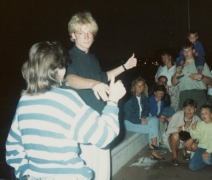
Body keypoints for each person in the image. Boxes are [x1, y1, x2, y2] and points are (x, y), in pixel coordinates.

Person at [5, 41, 126, 180]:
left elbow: (13, 147)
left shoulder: (24, 101)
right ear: (59, 70)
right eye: (63, 65)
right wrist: (113, 100)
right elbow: (105, 135)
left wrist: (24, 173)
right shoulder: (66, 99)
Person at [64, 12, 137, 180]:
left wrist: (125, 67)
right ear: (73, 35)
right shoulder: (67, 57)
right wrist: (92, 84)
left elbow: (103, 77)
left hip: (101, 122)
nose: (87, 36)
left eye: (90, 32)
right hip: (83, 127)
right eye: (81, 32)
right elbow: (69, 79)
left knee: (103, 175)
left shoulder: (92, 59)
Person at [124, 77, 165, 160]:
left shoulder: (143, 97)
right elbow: (129, 116)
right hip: (129, 122)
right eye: (138, 85)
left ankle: (154, 147)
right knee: (152, 128)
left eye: (142, 85)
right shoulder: (129, 99)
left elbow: (147, 108)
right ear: (134, 86)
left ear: (144, 87)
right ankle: (154, 151)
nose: (140, 87)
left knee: (153, 119)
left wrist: (143, 116)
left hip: (140, 118)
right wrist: (140, 121)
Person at [171, 41, 212, 116]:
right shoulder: (179, 65)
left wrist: (201, 76)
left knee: (198, 118)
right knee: (185, 119)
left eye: (189, 50)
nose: (186, 53)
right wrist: (177, 73)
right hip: (184, 94)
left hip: (198, 95)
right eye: (184, 51)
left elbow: (210, 81)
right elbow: (173, 83)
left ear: (193, 51)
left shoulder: (201, 63)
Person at [163, 99, 201, 166]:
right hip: (172, 140)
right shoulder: (177, 115)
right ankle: (174, 156)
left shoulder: (197, 119)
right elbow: (168, 131)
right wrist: (183, 127)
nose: (189, 110)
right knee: (175, 135)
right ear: (183, 109)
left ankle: (185, 150)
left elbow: (201, 135)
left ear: (195, 110)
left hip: (186, 140)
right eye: (187, 108)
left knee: (194, 146)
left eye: (192, 108)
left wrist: (192, 139)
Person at [188, 105, 212, 172]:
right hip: (201, 148)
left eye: (206, 113)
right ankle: (205, 159)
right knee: (192, 166)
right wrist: (193, 129)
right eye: (202, 113)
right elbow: (195, 137)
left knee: (207, 159)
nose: (203, 115)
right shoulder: (200, 124)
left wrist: (208, 151)